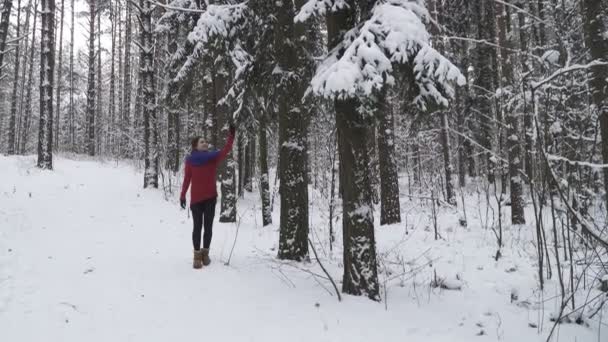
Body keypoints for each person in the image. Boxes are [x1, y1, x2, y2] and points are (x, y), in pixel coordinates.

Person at [180, 125, 235, 269]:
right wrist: (182, 196)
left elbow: (225, 150)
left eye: (206, 141)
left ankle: (205, 254)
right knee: (197, 227)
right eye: (202, 142)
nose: (205, 143)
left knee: (208, 227)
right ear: (196, 146)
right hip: (196, 200)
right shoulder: (190, 161)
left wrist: (231, 136)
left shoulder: (213, 158)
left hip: (210, 198)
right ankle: (197, 256)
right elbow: (187, 179)